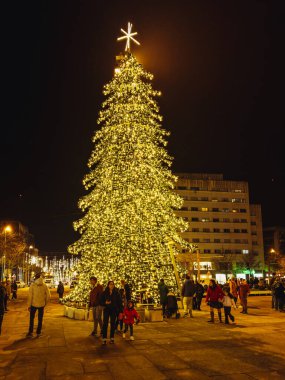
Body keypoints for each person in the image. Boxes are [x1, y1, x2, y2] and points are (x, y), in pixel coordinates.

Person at [26, 273, 50, 338]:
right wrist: (45, 303)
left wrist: (29, 305)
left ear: (35, 278)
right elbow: (48, 296)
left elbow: (30, 296)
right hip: (41, 305)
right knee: (40, 319)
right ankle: (38, 332)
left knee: (31, 318)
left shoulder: (32, 285)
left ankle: (30, 332)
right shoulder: (44, 285)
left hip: (33, 304)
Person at [100, 280, 123, 345]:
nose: (111, 285)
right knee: (105, 324)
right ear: (108, 285)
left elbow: (120, 302)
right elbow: (101, 301)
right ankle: (104, 338)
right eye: (110, 284)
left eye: (112, 284)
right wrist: (105, 303)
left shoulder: (116, 293)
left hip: (113, 310)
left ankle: (112, 338)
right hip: (106, 309)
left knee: (113, 324)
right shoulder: (105, 292)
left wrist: (120, 311)